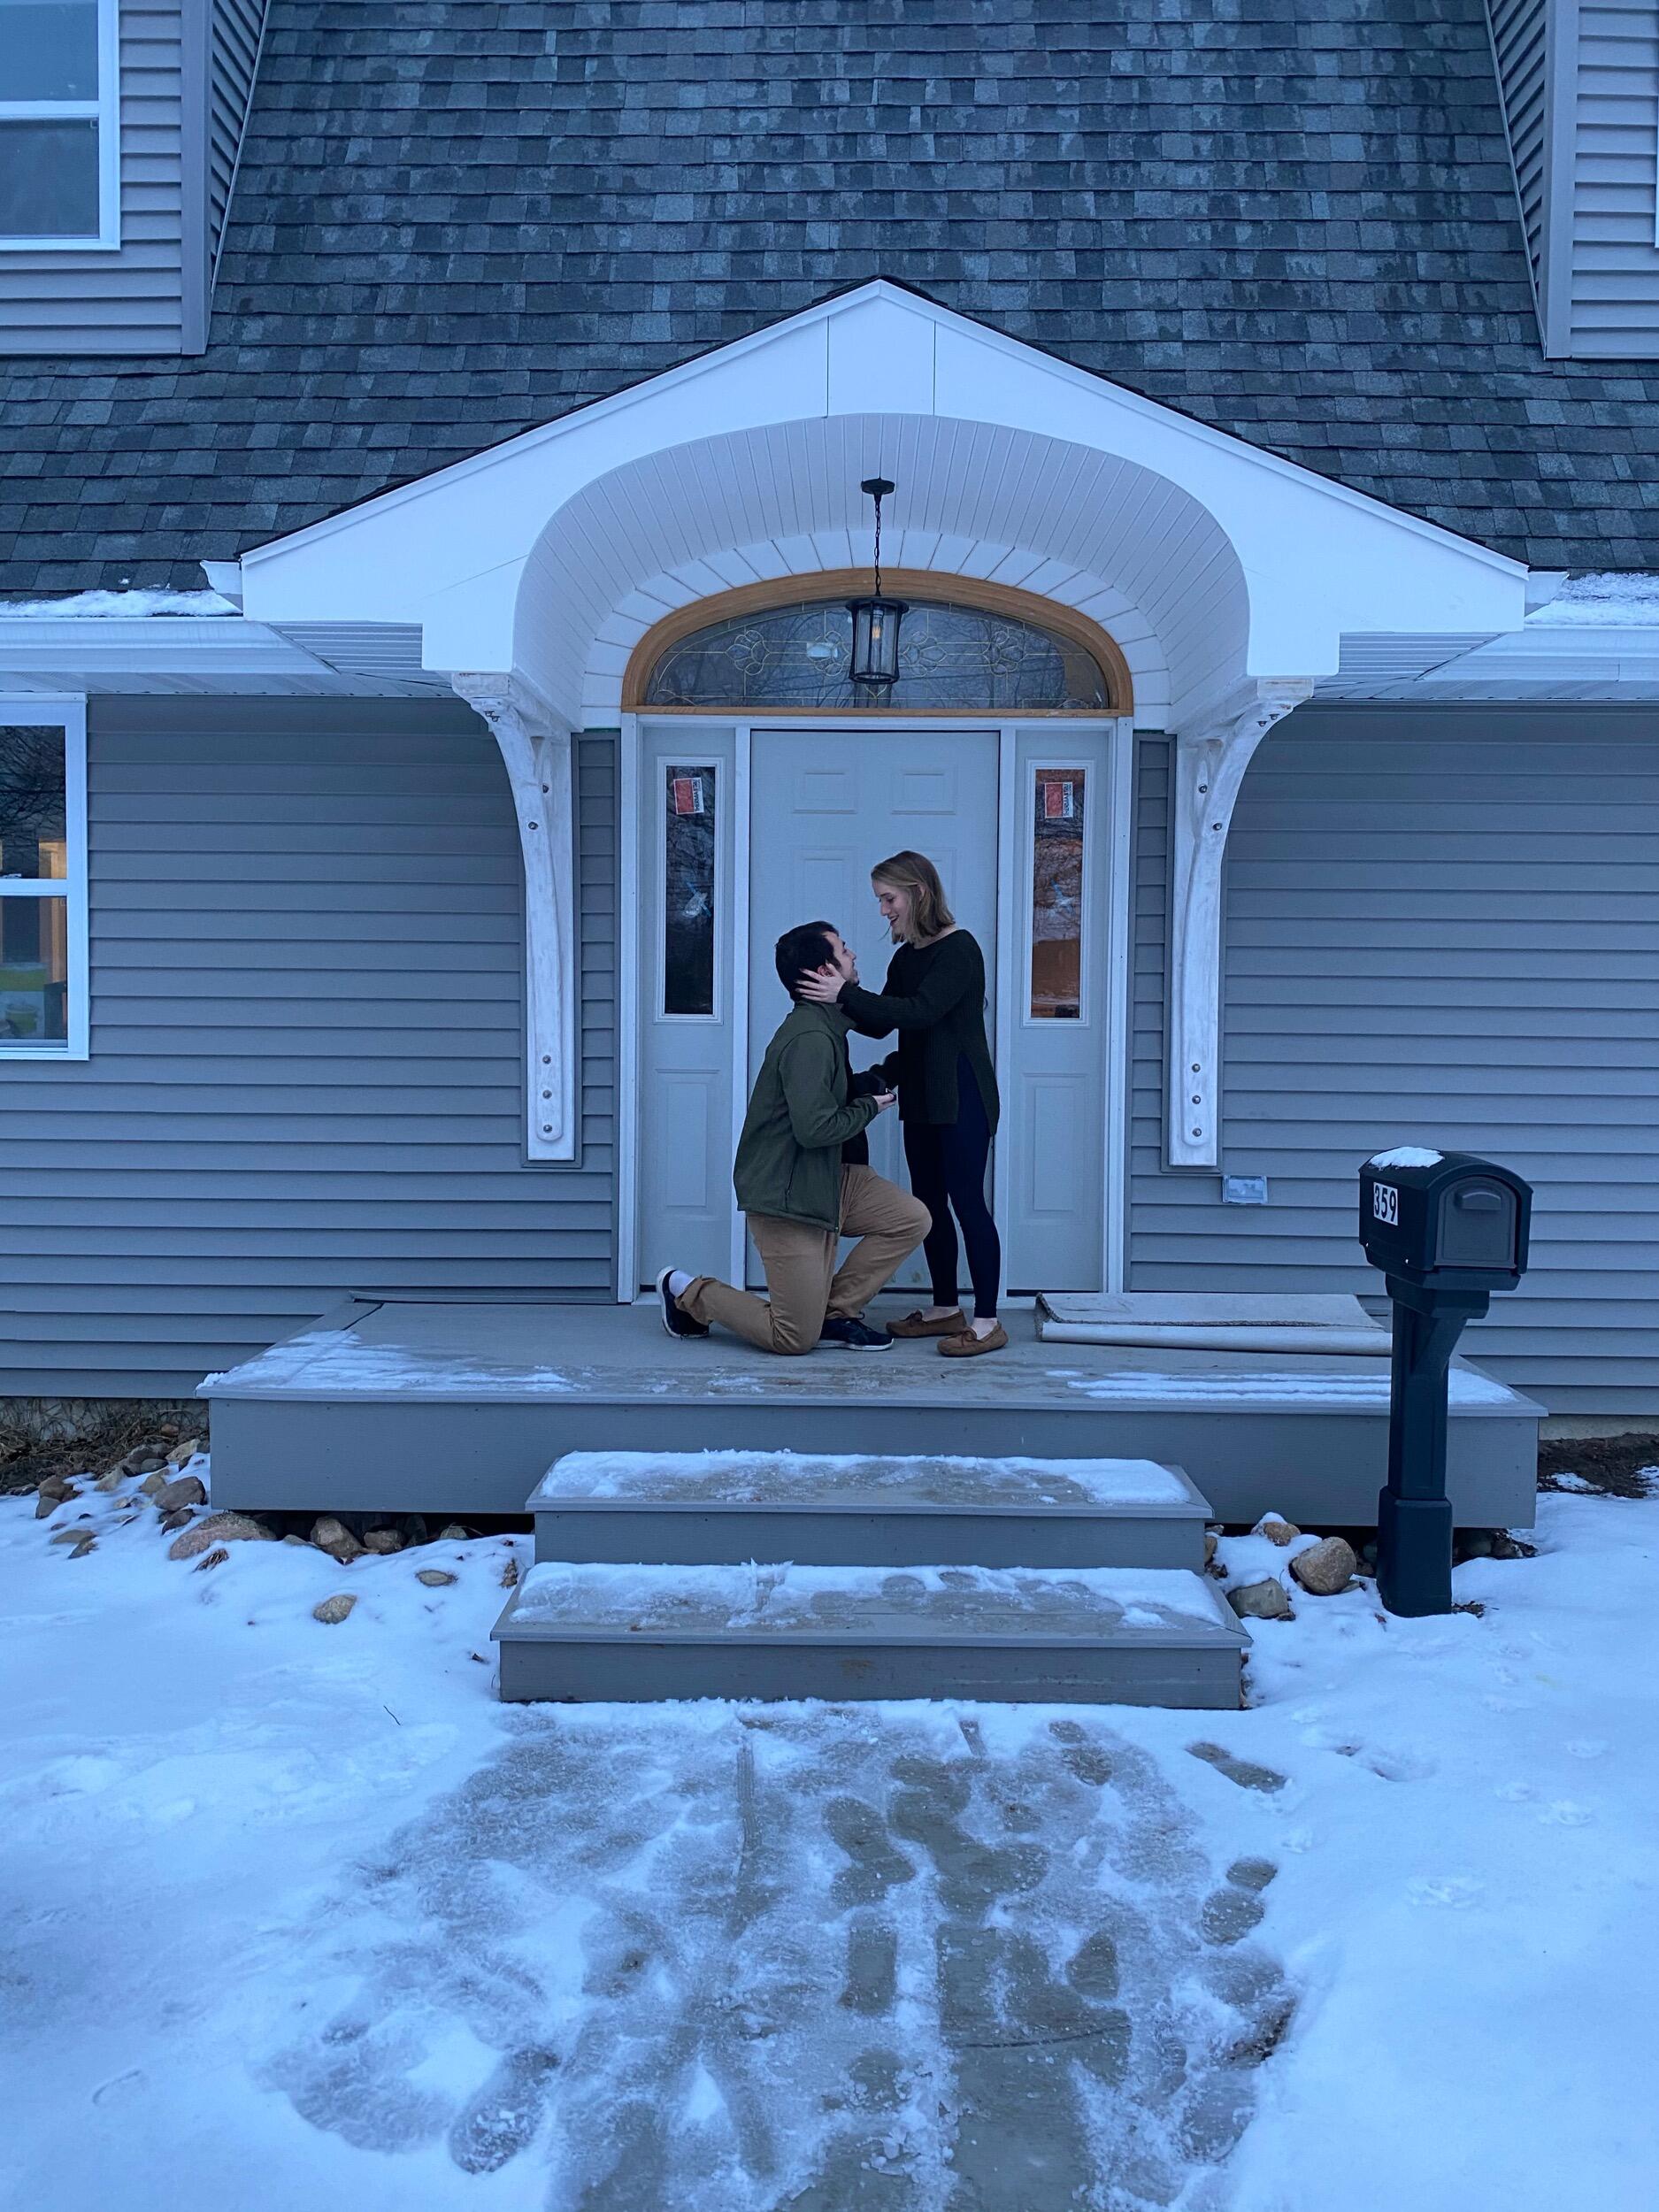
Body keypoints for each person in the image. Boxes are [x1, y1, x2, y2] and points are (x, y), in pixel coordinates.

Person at [657, 921, 931, 1355]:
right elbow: (815, 1128)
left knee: (910, 1219)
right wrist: (869, 1108)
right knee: (792, 1338)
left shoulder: (827, 1027)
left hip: (829, 1177)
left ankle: (836, 1314)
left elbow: (818, 1098)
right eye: (844, 950)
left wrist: (875, 1079)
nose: (854, 955)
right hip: (788, 1194)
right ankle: (688, 1293)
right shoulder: (809, 1038)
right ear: (825, 972)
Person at [797, 849, 1005, 1356]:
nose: (883, 910)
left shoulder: (960, 950)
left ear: (918, 892)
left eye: (888, 899)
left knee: (967, 1203)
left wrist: (845, 992)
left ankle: (987, 1320)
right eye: (880, 900)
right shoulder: (906, 956)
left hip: (964, 1097)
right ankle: (944, 1308)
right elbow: (881, 1021)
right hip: (924, 1098)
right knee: (929, 1205)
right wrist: (832, 992)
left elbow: (920, 1012)